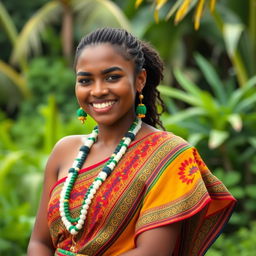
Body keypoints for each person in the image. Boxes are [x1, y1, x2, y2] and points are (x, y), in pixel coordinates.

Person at [27, 27, 236, 256]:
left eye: (112, 77)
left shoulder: (169, 156)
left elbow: (152, 253)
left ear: (139, 80)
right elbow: (40, 243)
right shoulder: (64, 151)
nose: (98, 90)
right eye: (85, 80)